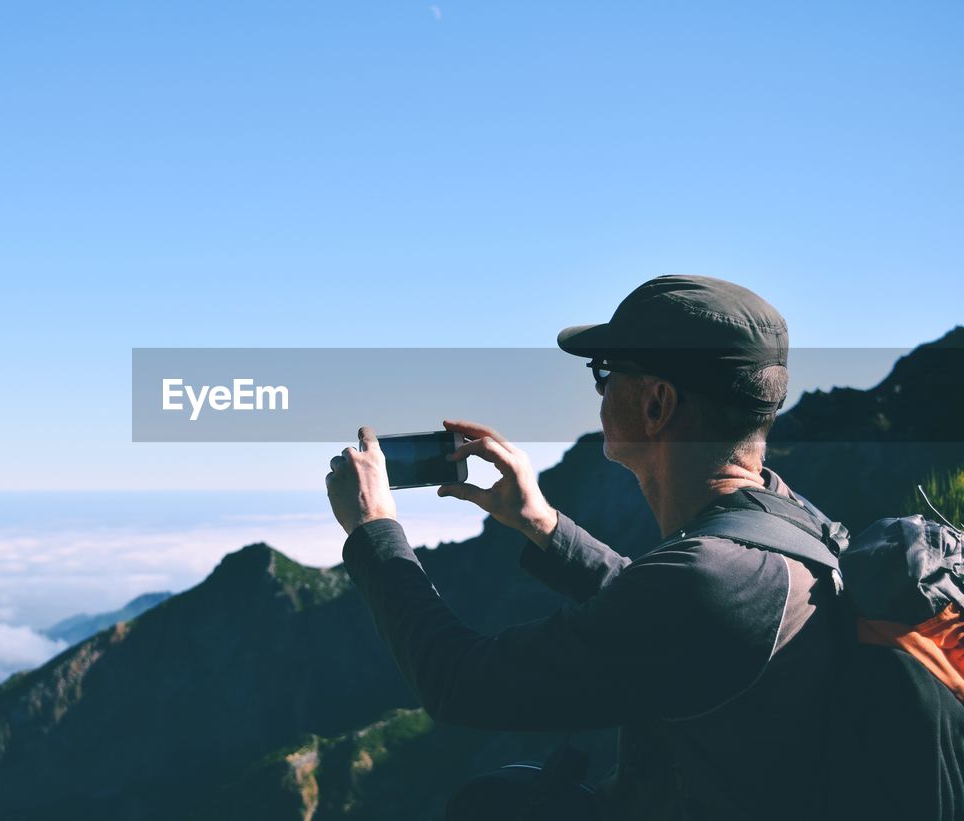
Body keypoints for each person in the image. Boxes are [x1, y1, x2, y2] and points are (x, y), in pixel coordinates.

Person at [326, 275, 841, 820]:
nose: (599, 391)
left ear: (656, 404)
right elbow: (665, 614)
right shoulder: (796, 523)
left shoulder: (707, 583)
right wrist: (543, 523)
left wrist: (373, 528)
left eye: (606, 374)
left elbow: (457, 681)